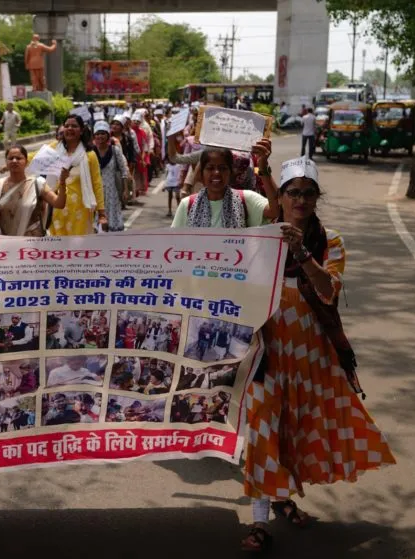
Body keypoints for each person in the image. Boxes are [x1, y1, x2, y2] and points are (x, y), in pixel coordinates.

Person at [241, 157, 395, 552]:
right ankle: (259, 522)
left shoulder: (331, 241)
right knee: (263, 428)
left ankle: (282, 498)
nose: (302, 200)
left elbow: (329, 291)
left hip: (312, 355)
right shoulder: (262, 236)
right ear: (281, 196)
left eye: (309, 193)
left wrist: (303, 254)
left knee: (292, 430)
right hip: (268, 350)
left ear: (317, 197)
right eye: (294, 192)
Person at [169, 139, 279, 228]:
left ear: (231, 172)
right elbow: (174, 242)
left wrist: (263, 167)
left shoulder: (245, 199)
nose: (216, 173)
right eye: (210, 168)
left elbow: (275, 211)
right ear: (201, 173)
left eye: (222, 168)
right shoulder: (187, 205)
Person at [36, 115, 106, 236]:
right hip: (57, 208)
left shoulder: (90, 155)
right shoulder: (54, 148)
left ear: (82, 130)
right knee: (58, 250)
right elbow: (35, 158)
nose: (69, 128)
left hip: (81, 210)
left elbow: (97, 184)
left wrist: (102, 214)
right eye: (67, 125)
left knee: (78, 249)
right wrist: (15, 162)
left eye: (74, 126)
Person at [0, 145, 66, 236]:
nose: (14, 161)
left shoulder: (38, 184)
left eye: (19, 158)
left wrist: (62, 183)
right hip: (5, 243)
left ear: (26, 162)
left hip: (32, 244)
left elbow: (59, 204)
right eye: (11, 158)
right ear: (6, 162)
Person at [92, 120, 130, 232]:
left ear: (108, 135)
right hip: (95, 192)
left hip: (112, 191)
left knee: (112, 223)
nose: (100, 136)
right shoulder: (90, 152)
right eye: (97, 134)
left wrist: (125, 190)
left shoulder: (115, 151)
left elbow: (123, 171)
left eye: (103, 133)